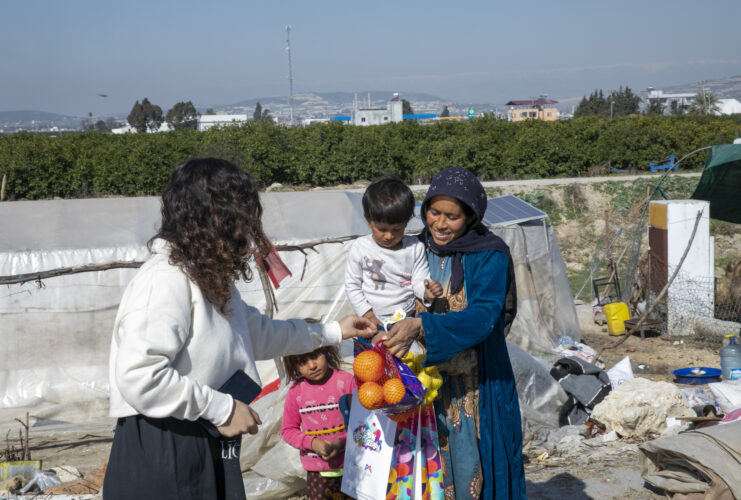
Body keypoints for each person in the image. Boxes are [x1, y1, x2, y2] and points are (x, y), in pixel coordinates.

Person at [103, 158, 374, 500]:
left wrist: (334, 331)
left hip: (202, 430)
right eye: (240, 223)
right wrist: (223, 409)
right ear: (211, 220)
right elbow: (140, 375)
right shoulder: (165, 280)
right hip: (166, 443)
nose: (246, 237)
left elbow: (257, 334)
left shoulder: (206, 277)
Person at [382, 166, 526, 499]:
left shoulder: (490, 254)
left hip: (475, 388)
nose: (440, 223)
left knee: (475, 469)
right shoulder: (412, 249)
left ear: (471, 216)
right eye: (434, 212)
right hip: (421, 388)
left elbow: (483, 317)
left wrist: (423, 325)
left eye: (452, 216)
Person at [344, 175, 442, 330]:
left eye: (397, 229)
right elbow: (352, 285)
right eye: (381, 229)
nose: (389, 236)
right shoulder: (360, 247)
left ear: (407, 221)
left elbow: (418, 279)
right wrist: (367, 313)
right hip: (370, 319)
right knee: (374, 353)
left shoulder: (415, 247)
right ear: (368, 220)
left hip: (405, 317)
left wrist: (427, 291)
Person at [280, 346, 356, 500]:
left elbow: (364, 424)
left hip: (354, 466)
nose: (312, 365)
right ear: (294, 366)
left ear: (326, 351)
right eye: (302, 362)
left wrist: (342, 443)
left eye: (315, 356)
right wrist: (313, 443)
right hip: (318, 474)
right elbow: (288, 430)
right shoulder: (296, 391)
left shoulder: (347, 382)